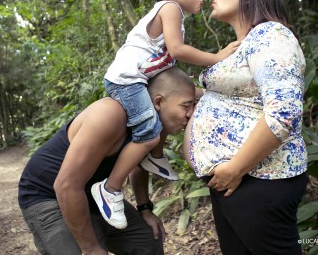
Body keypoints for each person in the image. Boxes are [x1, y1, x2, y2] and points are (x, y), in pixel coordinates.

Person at [96, 0, 239, 229]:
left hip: (136, 81)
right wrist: (217, 56)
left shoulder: (171, 14)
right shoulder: (170, 8)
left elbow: (171, 81)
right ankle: (110, 188)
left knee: (157, 120)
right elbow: (178, 50)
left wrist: (205, 92)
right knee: (149, 132)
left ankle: (154, 155)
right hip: (126, 81)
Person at [183, 0, 308, 254]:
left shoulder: (271, 34)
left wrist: (236, 168)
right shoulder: (245, 46)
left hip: (257, 177)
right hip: (234, 181)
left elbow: (285, 112)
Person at [18, 67, 196, 255]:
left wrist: (145, 209)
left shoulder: (154, 125)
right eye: (186, 106)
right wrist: (91, 248)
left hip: (89, 191)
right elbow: (65, 186)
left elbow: (139, 165)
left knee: (149, 239)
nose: (190, 113)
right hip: (49, 195)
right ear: (158, 101)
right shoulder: (110, 114)